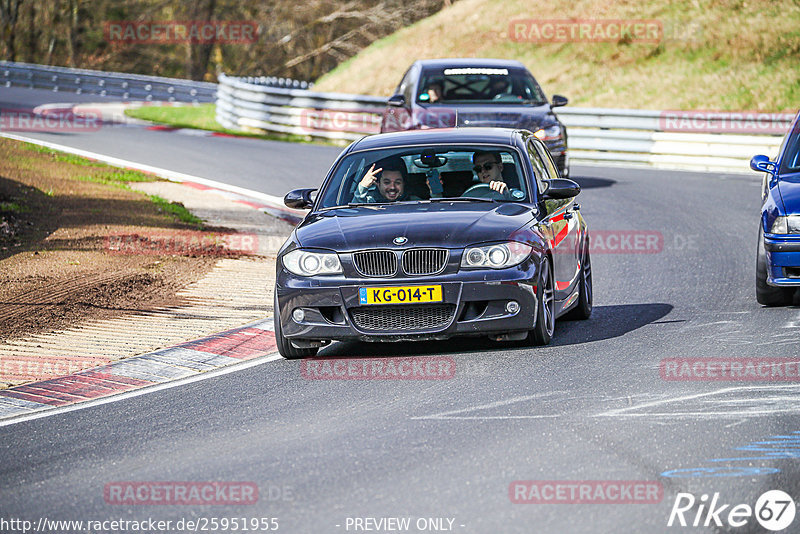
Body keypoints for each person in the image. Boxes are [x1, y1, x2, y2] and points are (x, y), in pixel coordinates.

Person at [353, 157, 443, 203]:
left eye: (398, 182)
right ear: (377, 183)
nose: (392, 187)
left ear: (404, 184)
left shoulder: (415, 203)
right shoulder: (369, 203)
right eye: (387, 182)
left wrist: (435, 193)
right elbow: (354, 213)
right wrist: (362, 187)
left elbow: (437, 213)